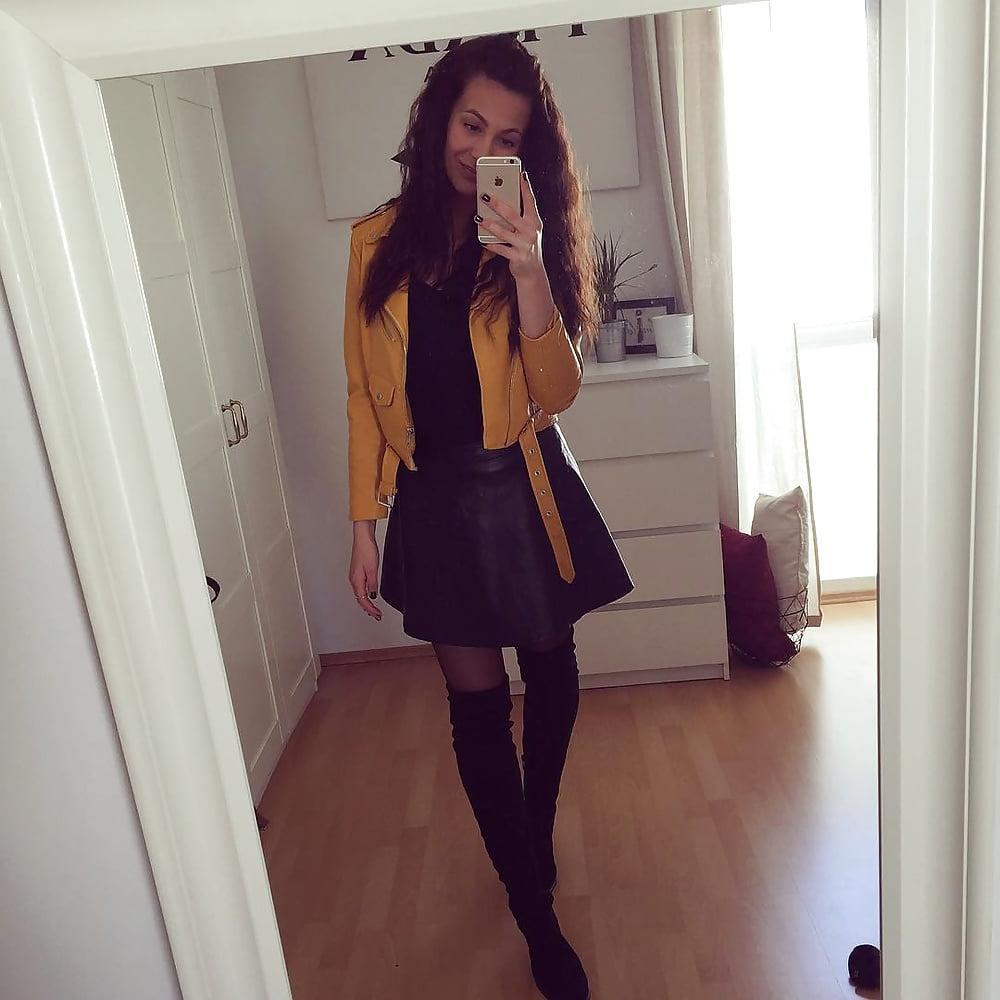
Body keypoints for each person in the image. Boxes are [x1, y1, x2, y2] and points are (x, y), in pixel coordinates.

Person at [343, 33, 634, 1000]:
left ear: (527, 150)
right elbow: (363, 395)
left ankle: (532, 825)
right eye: (471, 125)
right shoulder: (374, 243)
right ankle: (532, 911)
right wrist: (363, 523)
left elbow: (557, 393)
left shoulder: (526, 235)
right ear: (439, 118)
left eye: (507, 137)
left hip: (526, 485)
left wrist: (532, 270)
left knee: (550, 670)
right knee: (475, 709)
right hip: (434, 503)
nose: (482, 150)